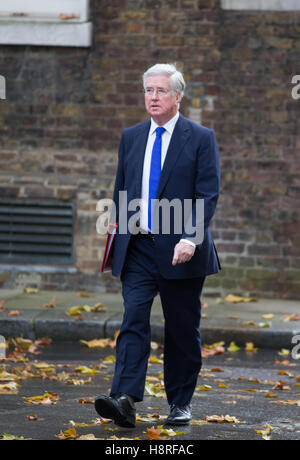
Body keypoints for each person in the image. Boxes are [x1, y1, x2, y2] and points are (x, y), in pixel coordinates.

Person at [95, 63, 221, 427]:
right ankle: (124, 398)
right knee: (133, 317)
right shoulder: (131, 137)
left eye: (161, 91)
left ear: (178, 96)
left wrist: (190, 237)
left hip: (182, 251)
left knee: (181, 328)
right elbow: (122, 190)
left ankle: (180, 402)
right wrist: (116, 240)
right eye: (148, 90)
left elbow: (207, 194)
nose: (153, 96)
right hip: (138, 248)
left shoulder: (199, 137)